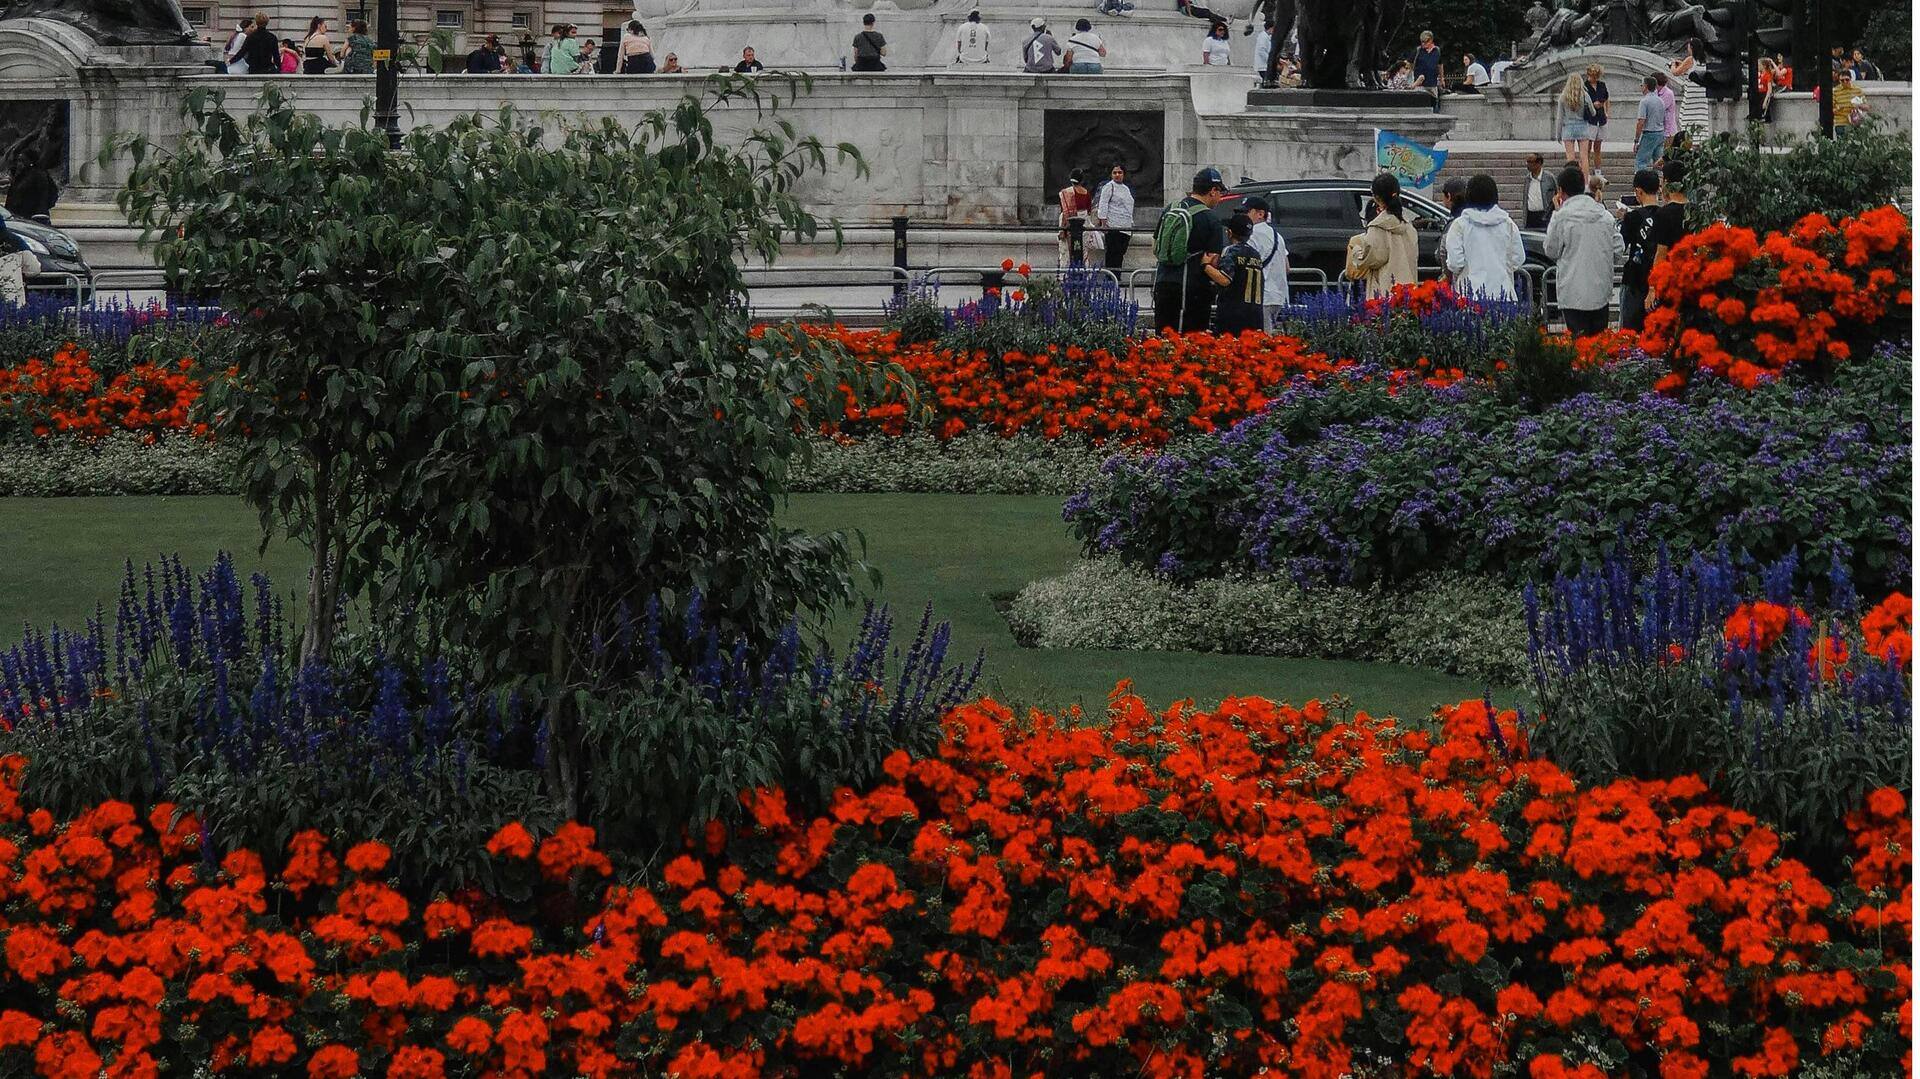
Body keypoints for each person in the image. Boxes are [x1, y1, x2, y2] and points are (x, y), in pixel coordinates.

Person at [1544, 164, 1624, 336]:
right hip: (1600, 290)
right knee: (1599, 344)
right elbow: (1618, 248)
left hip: (1572, 290)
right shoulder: (1604, 215)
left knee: (1578, 344)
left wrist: (1556, 213)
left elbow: (1551, 250)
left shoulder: (1562, 217)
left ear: (1560, 190)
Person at [1152, 167, 1229, 333]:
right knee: (1192, 341)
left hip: (1163, 281)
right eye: (1220, 192)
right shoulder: (1211, 219)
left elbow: (1154, 246)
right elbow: (1213, 259)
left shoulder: (1170, 208)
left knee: (1162, 340)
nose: (1220, 197)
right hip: (1192, 288)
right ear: (1212, 190)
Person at [1443, 174, 1524, 302]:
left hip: (1468, 295)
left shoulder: (1459, 225)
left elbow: (1455, 262)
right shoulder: (1508, 223)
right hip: (1504, 294)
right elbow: (1518, 258)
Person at [1348, 172, 1418, 299]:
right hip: (1409, 291)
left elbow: (1370, 258)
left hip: (1384, 292)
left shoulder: (1378, 227)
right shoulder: (1408, 226)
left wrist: (1356, 250)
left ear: (1376, 198)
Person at [1205, 214, 1266, 335]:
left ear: (1229, 232)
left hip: (1233, 314)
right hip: (1255, 314)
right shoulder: (1255, 254)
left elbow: (1224, 279)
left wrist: (1205, 265)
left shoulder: (1231, 251)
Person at [1617, 167, 1662, 331]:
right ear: (1659, 189)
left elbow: (1620, 245)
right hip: (1659, 279)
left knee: (1630, 332)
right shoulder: (1666, 215)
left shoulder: (1632, 217)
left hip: (1634, 280)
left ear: (1638, 191)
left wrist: (1622, 221)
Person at [1645, 156, 1688, 310]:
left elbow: (1661, 254)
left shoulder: (1664, 214)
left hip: (1670, 281)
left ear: (1667, 183)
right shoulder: (1697, 212)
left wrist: (1652, 288)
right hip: (1693, 277)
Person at [1242, 196, 1290, 330]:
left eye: (1247, 211)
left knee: (1259, 342)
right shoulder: (1278, 236)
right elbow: (1287, 268)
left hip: (1261, 297)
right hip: (1280, 297)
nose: (1244, 215)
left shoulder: (1252, 234)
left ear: (1260, 214)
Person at [1094, 164, 1135, 270]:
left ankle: (1117, 278)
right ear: (1111, 174)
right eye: (1115, 173)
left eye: (1120, 172)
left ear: (1124, 174)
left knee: (1120, 255)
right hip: (1113, 226)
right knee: (1113, 254)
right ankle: (1111, 280)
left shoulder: (1126, 189)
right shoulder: (1108, 187)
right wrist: (1103, 223)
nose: (1117, 175)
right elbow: (1103, 205)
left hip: (1125, 228)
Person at [1670, 39, 1710, 141]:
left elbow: (1676, 72)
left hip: (1691, 97)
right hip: (1702, 96)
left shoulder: (1690, 60)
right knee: (1700, 120)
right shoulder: (1704, 60)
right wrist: (1682, 64)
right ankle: (1699, 140)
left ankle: (1689, 141)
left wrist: (1673, 65)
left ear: (1691, 47)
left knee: (1685, 119)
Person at [1057, 171, 1095, 266]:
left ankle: (1065, 276)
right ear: (1082, 180)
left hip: (1069, 224)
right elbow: (1089, 211)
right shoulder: (1087, 194)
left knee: (1066, 252)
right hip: (1084, 222)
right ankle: (1085, 276)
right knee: (1083, 251)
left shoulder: (1065, 193)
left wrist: (1062, 230)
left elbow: (1065, 213)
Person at [1557, 74, 1590, 174]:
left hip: (1568, 128)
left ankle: (1572, 180)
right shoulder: (1585, 95)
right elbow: (1593, 112)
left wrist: (1558, 134)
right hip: (1583, 127)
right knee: (1584, 157)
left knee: (1570, 158)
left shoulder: (1563, 97)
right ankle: (1585, 183)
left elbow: (1560, 118)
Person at [1633, 75, 1665, 171]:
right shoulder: (1661, 101)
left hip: (1649, 133)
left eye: (1641, 85)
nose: (1641, 87)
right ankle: (1657, 183)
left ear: (1646, 86)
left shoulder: (1644, 101)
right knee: (1658, 162)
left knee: (1641, 161)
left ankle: (1641, 183)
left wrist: (1636, 140)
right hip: (1660, 133)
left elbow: (1641, 122)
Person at [1583, 64, 1610, 178]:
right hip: (1590, 118)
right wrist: (1592, 104)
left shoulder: (1602, 85)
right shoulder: (1584, 86)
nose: (1592, 78)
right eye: (1590, 75)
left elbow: (1606, 98)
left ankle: (1598, 172)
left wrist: (1606, 110)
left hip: (1600, 117)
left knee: (1598, 147)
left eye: (1594, 76)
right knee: (1588, 147)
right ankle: (1586, 171)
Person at [1523, 152, 1554, 229]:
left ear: (1539, 163)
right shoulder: (1527, 178)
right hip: (1530, 216)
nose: (1528, 165)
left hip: (1544, 215)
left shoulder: (1549, 177)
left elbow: (1557, 193)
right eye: (1527, 162)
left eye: (1530, 162)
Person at [1412, 30, 1442, 107]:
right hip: (1420, 84)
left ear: (1431, 40)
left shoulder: (1437, 51)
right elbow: (1409, 63)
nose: (1423, 44)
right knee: (1420, 105)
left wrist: (1442, 78)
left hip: (1432, 83)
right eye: (1422, 42)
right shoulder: (1418, 50)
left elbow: (1440, 65)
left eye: (1425, 42)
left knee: (1433, 104)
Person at [1653, 71, 1678, 153]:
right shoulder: (1656, 93)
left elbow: (1659, 109)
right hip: (1660, 130)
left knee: (1666, 154)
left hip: (1668, 131)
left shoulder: (1668, 93)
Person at [1756, 56, 1781, 122]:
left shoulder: (1768, 75)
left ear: (1764, 66)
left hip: (1764, 94)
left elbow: (1769, 90)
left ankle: (1765, 117)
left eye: (1759, 65)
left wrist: (1765, 101)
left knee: (1764, 111)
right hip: (1759, 94)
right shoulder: (1759, 74)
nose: (1757, 67)